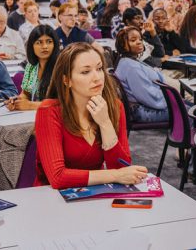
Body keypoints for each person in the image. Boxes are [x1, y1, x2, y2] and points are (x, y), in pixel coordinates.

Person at [34, 42, 147, 188]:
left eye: (99, 69)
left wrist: (105, 123)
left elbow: (122, 168)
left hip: (94, 196)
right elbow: (58, 177)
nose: (97, 78)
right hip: (51, 200)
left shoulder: (115, 106)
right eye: (85, 72)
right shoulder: (49, 111)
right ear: (66, 80)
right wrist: (114, 175)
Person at [114, 27, 169, 122]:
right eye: (133, 40)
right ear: (123, 45)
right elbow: (149, 97)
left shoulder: (128, 60)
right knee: (187, 111)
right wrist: (169, 98)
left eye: (140, 39)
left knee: (187, 106)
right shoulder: (131, 67)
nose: (139, 42)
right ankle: (191, 135)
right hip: (141, 111)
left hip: (145, 106)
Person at [5, 25, 60, 111]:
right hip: (33, 115)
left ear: (55, 44)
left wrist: (30, 105)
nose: (45, 46)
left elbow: (61, 103)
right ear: (32, 46)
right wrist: (18, 101)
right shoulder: (31, 66)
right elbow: (26, 93)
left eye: (49, 41)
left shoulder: (61, 66)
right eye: (39, 42)